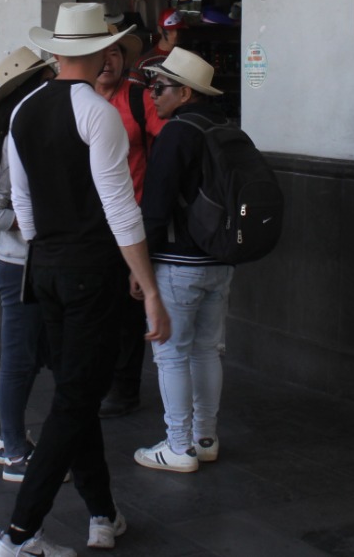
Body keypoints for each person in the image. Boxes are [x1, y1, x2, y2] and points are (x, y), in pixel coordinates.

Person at [0, 2, 170, 557]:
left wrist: (52, 247)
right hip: (91, 272)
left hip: (43, 266)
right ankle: (19, 536)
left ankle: (102, 514)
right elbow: (120, 206)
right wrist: (150, 286)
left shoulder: (22, 112)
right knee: (72, 401)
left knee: (77, 392)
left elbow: (23, 205)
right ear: (102, 53)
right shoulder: (99, 112)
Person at [134, 49, 234, 474]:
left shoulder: (176, 133)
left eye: (160, 88)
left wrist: (140, 267)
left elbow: (155, 207)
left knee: (171, 354)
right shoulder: (225, 128)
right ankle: (204, 438)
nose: (153, 96)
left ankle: (178, 445)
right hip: (220, 259)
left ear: (185, 92)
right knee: (207, 351)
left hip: (178, 262)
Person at [0, 47, 57, 483]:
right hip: (18, 266)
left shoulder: (29, 131)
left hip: (33, 265)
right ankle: (12, 448)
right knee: (18, 361)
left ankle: (14, 439)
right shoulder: (9, 139)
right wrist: (40, 226)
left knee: (32, 357)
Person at [93, 25, 165, 419]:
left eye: (116, 54)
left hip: (129, 217)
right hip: (86, 223)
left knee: (127, 307)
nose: (108, 61)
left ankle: (124, 387)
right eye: (101, 54)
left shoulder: (139, 99)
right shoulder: (74, 100)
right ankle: (95, 378)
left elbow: (167, 143)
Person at [131, 8, 183, 84]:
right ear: (160, 29)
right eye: (170, 30)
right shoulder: (144, 63)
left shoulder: (186, 58)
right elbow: (137, 93)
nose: (175, 34)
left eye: (179, 30)